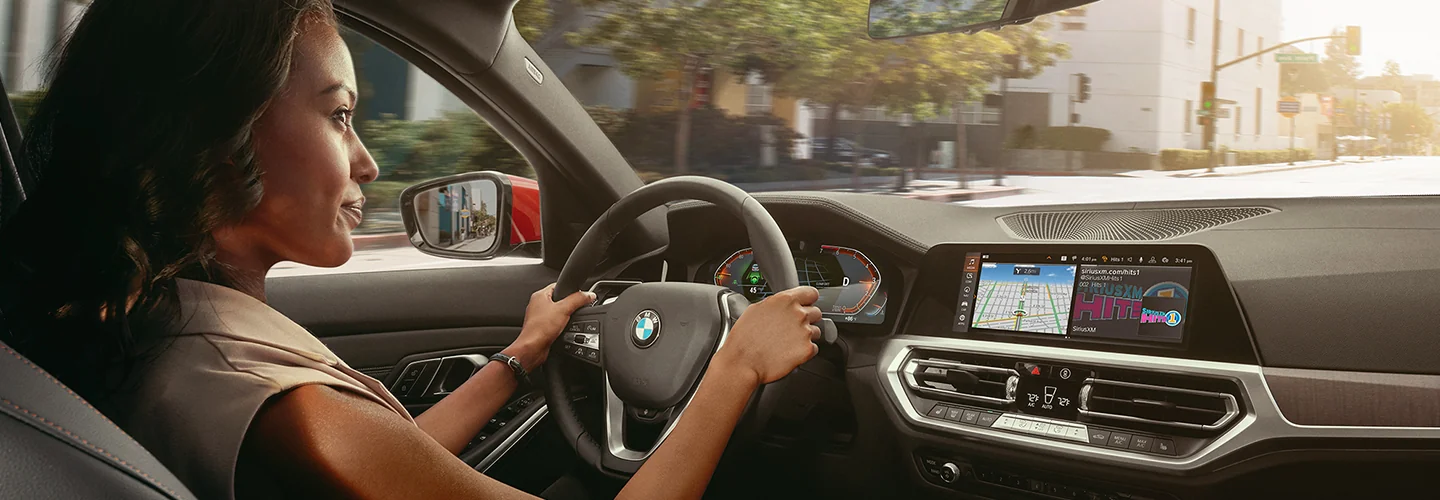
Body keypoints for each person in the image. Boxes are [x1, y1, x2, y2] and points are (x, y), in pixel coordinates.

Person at [0, 1, 823, 499]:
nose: (369, 162)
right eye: (339, 115)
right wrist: (736, 364)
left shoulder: (159, 324)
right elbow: (348, 448)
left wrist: (522, 356)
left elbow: (388, 467)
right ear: (217, 138)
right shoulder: (285, 406)